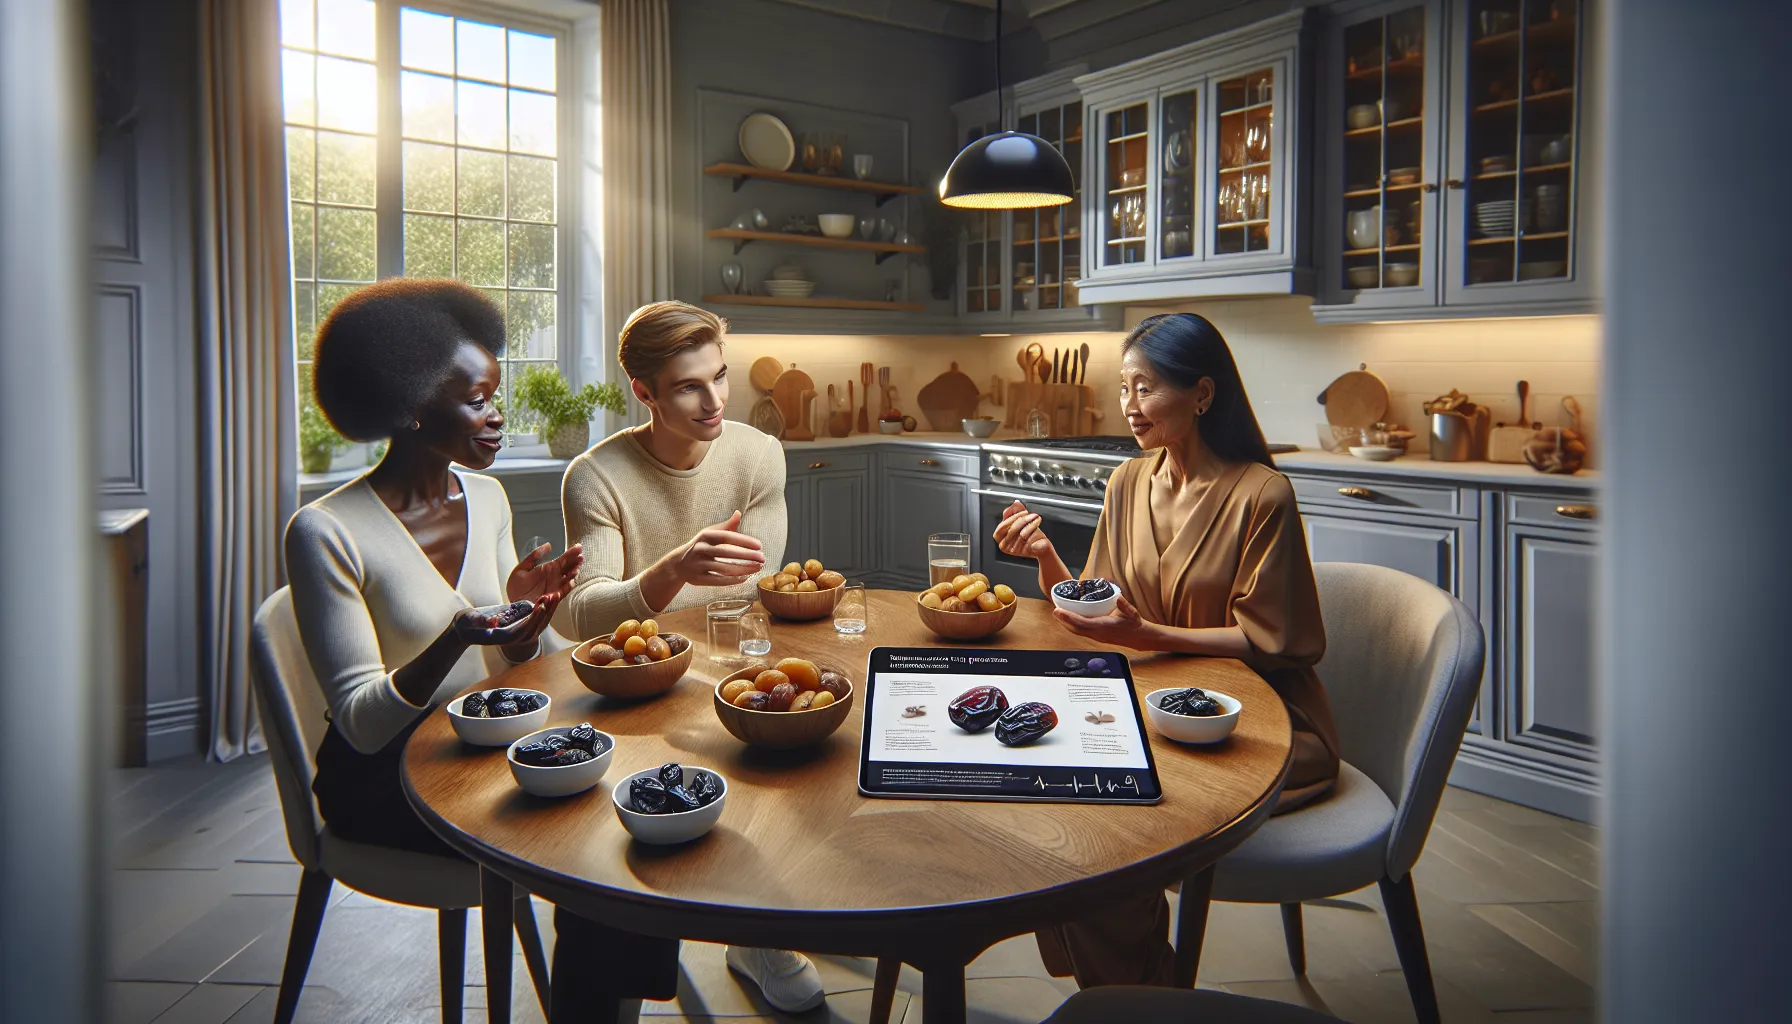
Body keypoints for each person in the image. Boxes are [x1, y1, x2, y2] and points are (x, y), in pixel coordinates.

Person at [284, 279, 669, 1023]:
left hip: (477, 746)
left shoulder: (485, 500)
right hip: (381, 780)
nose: (498, 417)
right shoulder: (324, 531)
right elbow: (362, 721)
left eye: (496, 396)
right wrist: (459, 631)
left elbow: (509, 670)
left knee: (636, 801)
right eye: (477, 401)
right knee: (595, 841)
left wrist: (524, 623)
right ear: (411, 407)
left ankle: (608, 1007)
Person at [992, 311, 1341, 990]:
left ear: (1203, 394)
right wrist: (1045, 558)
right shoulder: (1127, 483)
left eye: (1146, 388)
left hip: (1258, 729)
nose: (1129, 406)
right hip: (1154, 709)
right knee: (1052, 781)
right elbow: (1096, 612)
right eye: (1124, 389)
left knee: (1110, 824)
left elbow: (1274, 641)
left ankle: (1136, 994)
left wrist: (1149, 637)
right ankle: (1143, 990)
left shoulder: (1263, 495)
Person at [557, 300, 825, 1014]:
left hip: (730, 669)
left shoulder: (758, 453)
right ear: (643, 392)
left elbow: (753, 588)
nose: (714, 401)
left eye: (720, 377)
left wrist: (685, 595)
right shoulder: (596, 475)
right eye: (687, 386)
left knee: (804, 750)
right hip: (637, 690)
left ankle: (760, 926)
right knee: (620, 845)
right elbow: (580, 617)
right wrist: (670, 569)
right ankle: (627, 978)